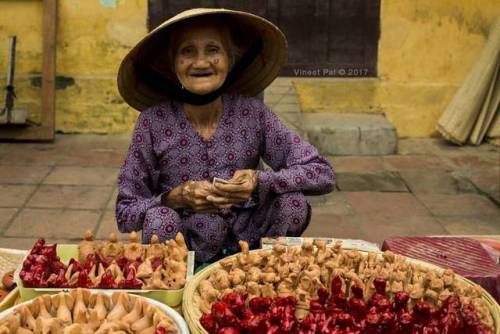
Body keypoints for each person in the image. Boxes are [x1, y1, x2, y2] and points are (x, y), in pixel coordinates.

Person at [115, 8, 335, 264]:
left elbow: (322, 173)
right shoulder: (153, 122)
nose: (201, 62)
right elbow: (125, 212)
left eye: (213, 50)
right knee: (158, 218)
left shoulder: (253, 113)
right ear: (173, 63)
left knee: (292, 202)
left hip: (252, 244)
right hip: (186, 246)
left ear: (230, 60)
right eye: (187, 51)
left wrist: (259, 181)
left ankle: (268, 273)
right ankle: (177, 286)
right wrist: (174, 198)